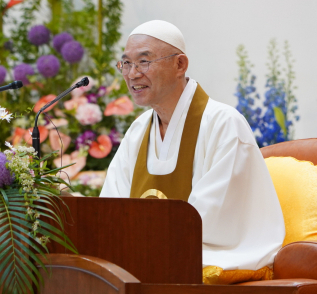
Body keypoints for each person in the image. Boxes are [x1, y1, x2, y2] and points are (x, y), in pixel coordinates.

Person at [100, 20, 284, 272]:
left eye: (144, 61)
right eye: (126, 63)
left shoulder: (224, 124)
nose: (132, 74)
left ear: (180, 64)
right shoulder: (138, 130)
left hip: (209, 254)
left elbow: (212, 218)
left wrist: (144, 242)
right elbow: (111, 206)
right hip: (146, 251)